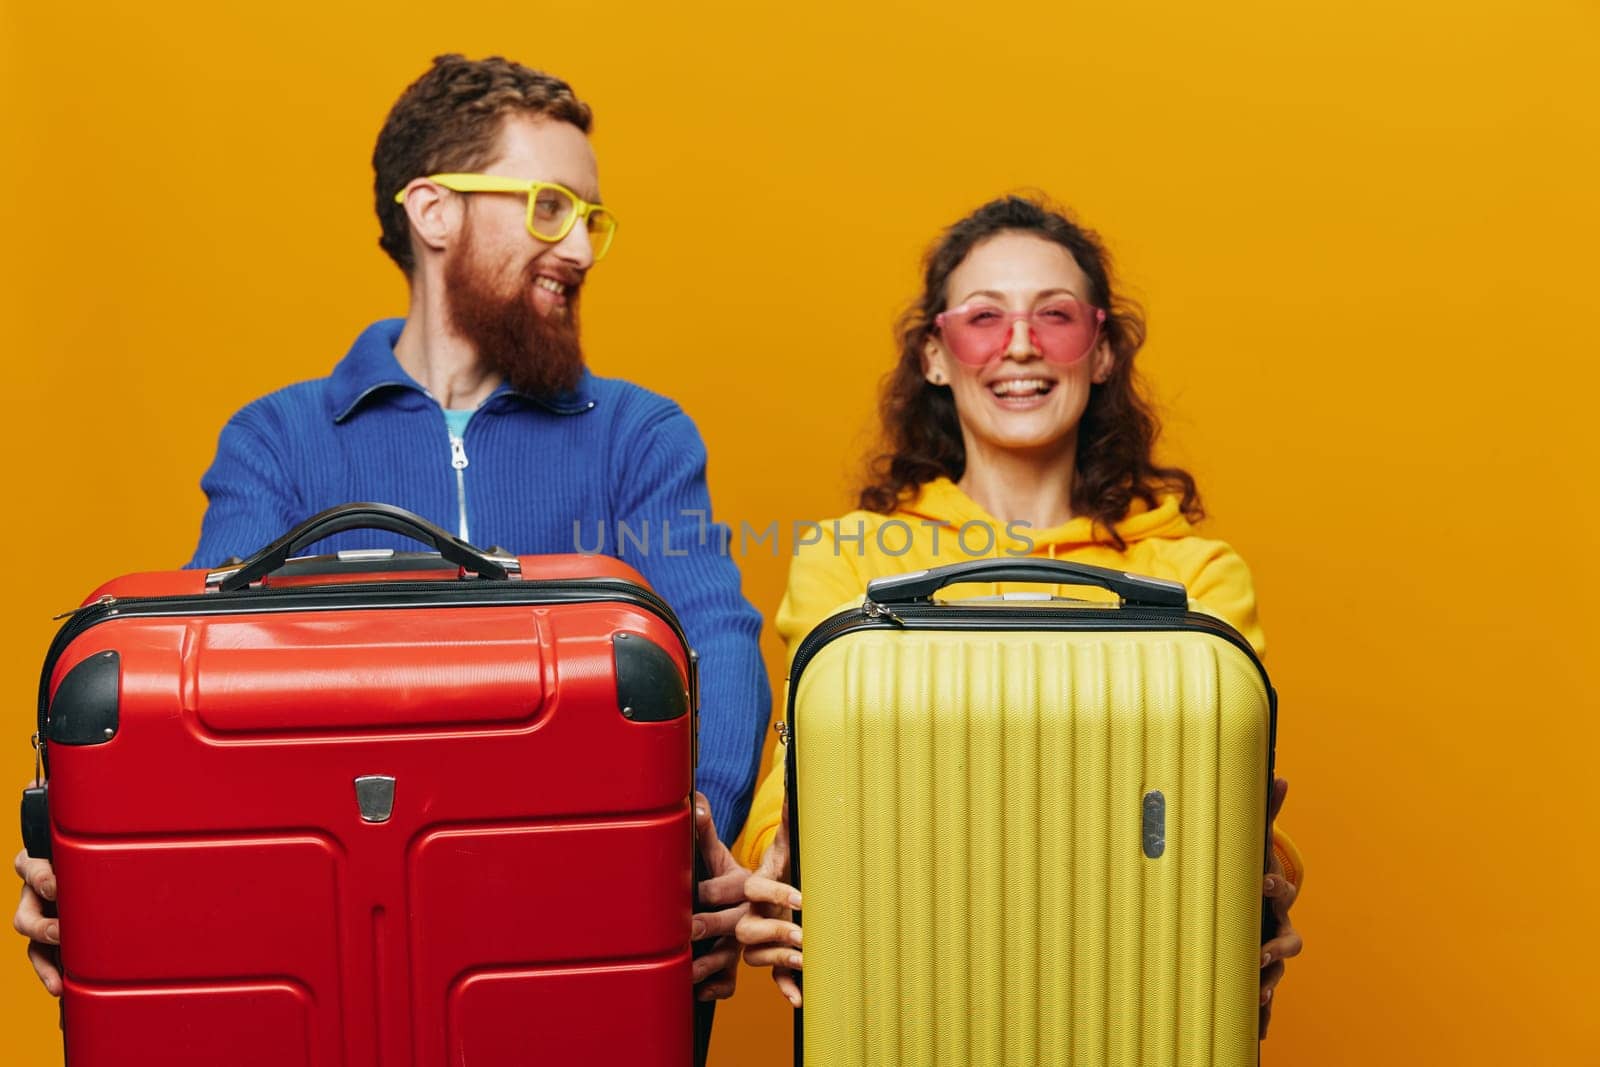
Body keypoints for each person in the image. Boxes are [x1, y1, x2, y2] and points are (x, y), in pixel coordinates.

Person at [13, 54, 762, 1007]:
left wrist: (688, 839)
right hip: (337, 940)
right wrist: (97, 862)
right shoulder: (278, 441)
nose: (578, 248)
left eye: (591, 219)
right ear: (433, 211)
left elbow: (716, 640)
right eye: (548, 208)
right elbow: (183, 669)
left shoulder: (639, 436)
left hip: (578, 926)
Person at [731, 195, 1304, 1035]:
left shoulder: (1195, 575)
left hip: (1130, 996)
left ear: (1102, 350)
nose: (1021, 345)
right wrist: (777, 868)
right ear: (934, 353)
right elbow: (795, 794)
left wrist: (1262, 882)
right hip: (907, 996)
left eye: (1056, 316)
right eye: (984, 317)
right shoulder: (848, 558)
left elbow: (1229, 802)